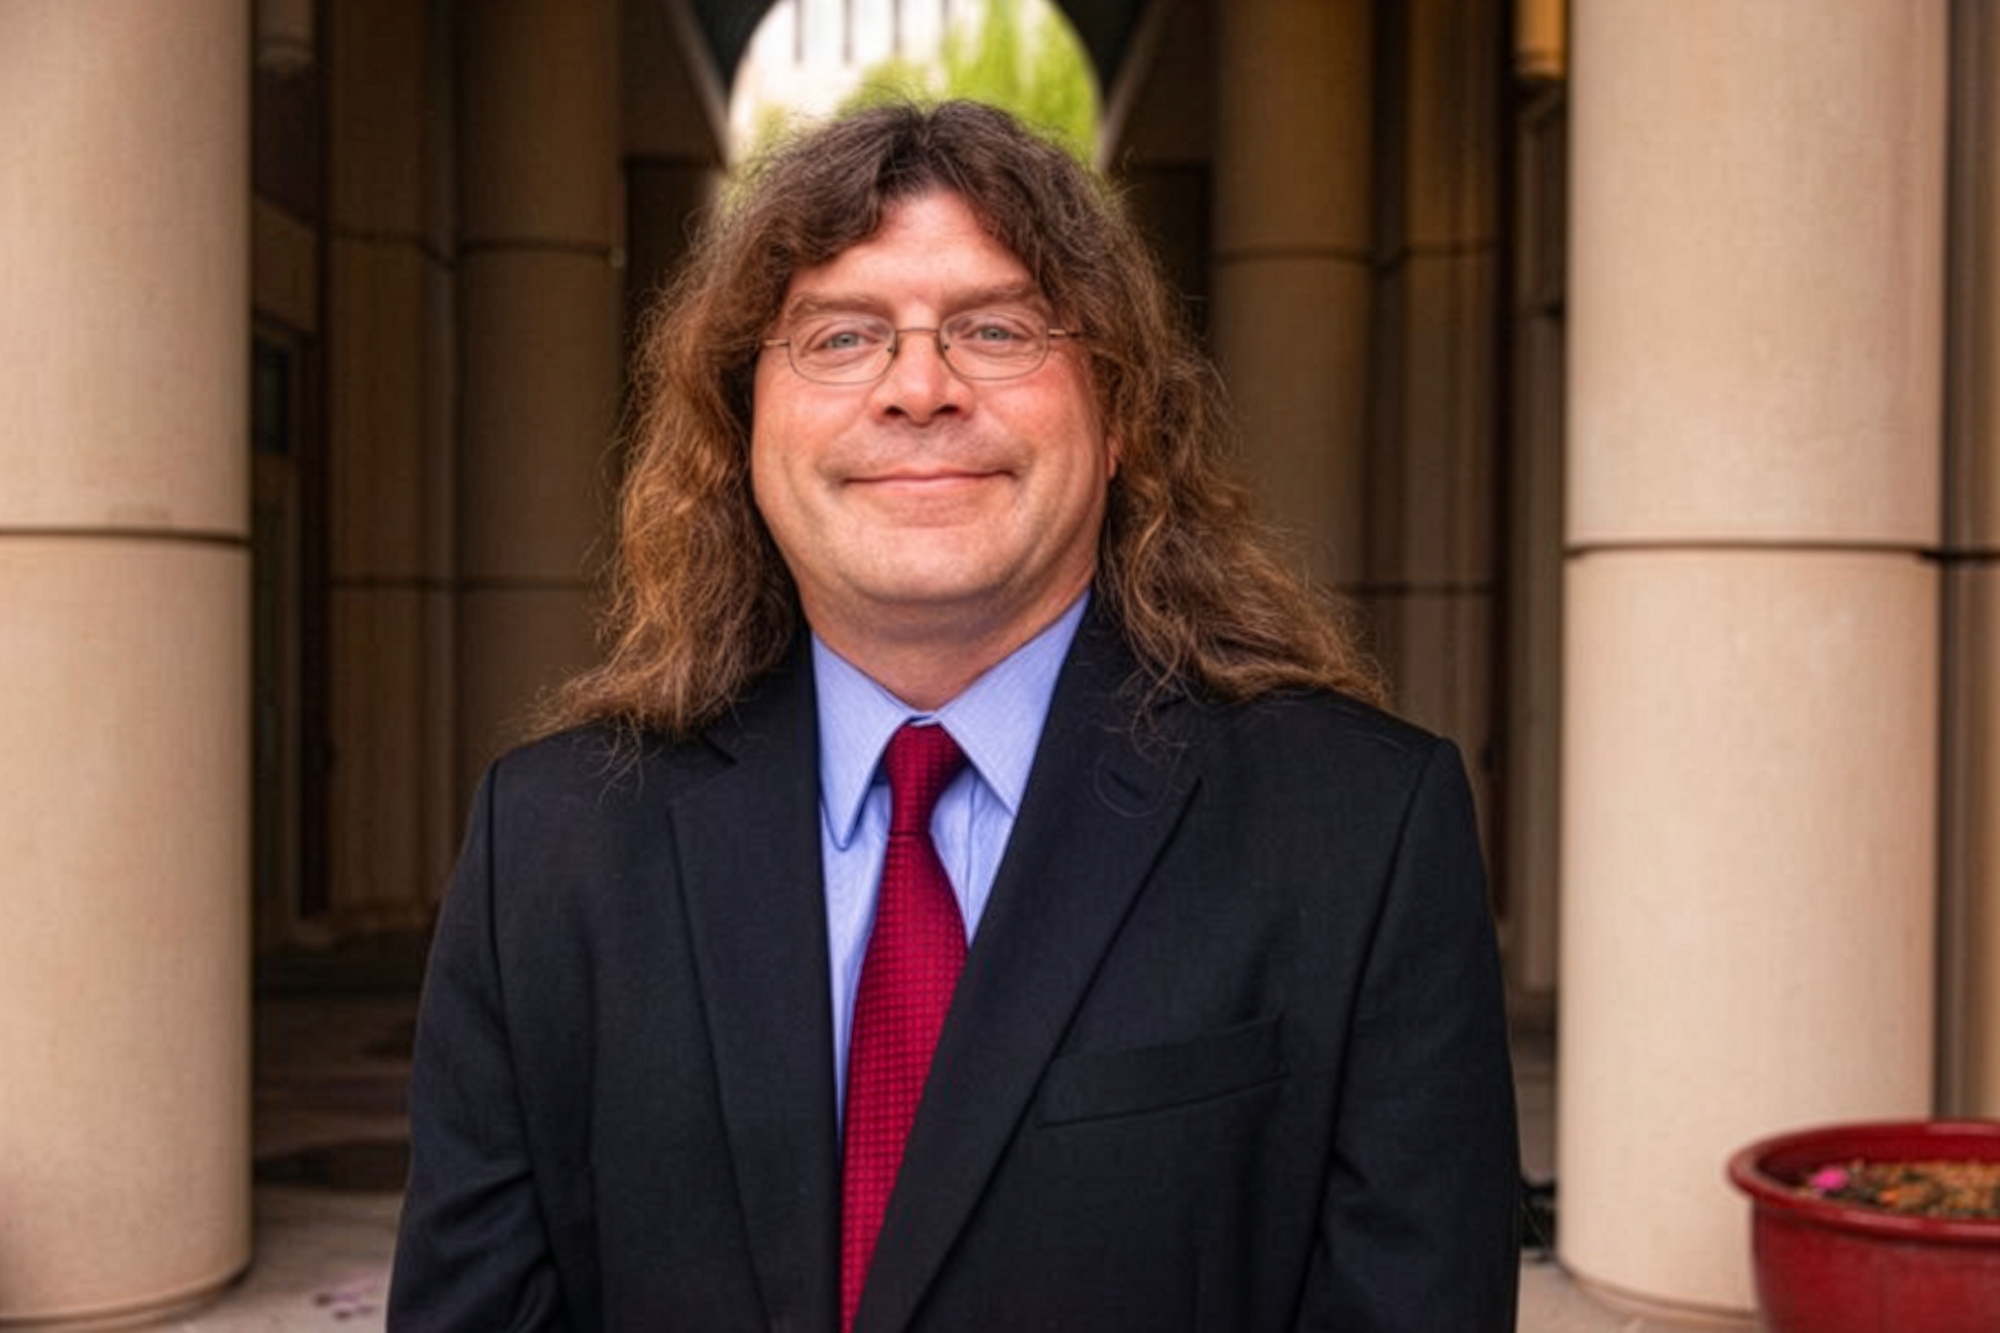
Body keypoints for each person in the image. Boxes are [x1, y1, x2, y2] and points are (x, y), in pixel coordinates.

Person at [388, 99, 1519, 1332]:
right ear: (739, 422)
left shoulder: (1359, 831)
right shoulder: (548, 843)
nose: (917, 387)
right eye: (838, 336)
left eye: (995, 328)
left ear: (1122, 412)